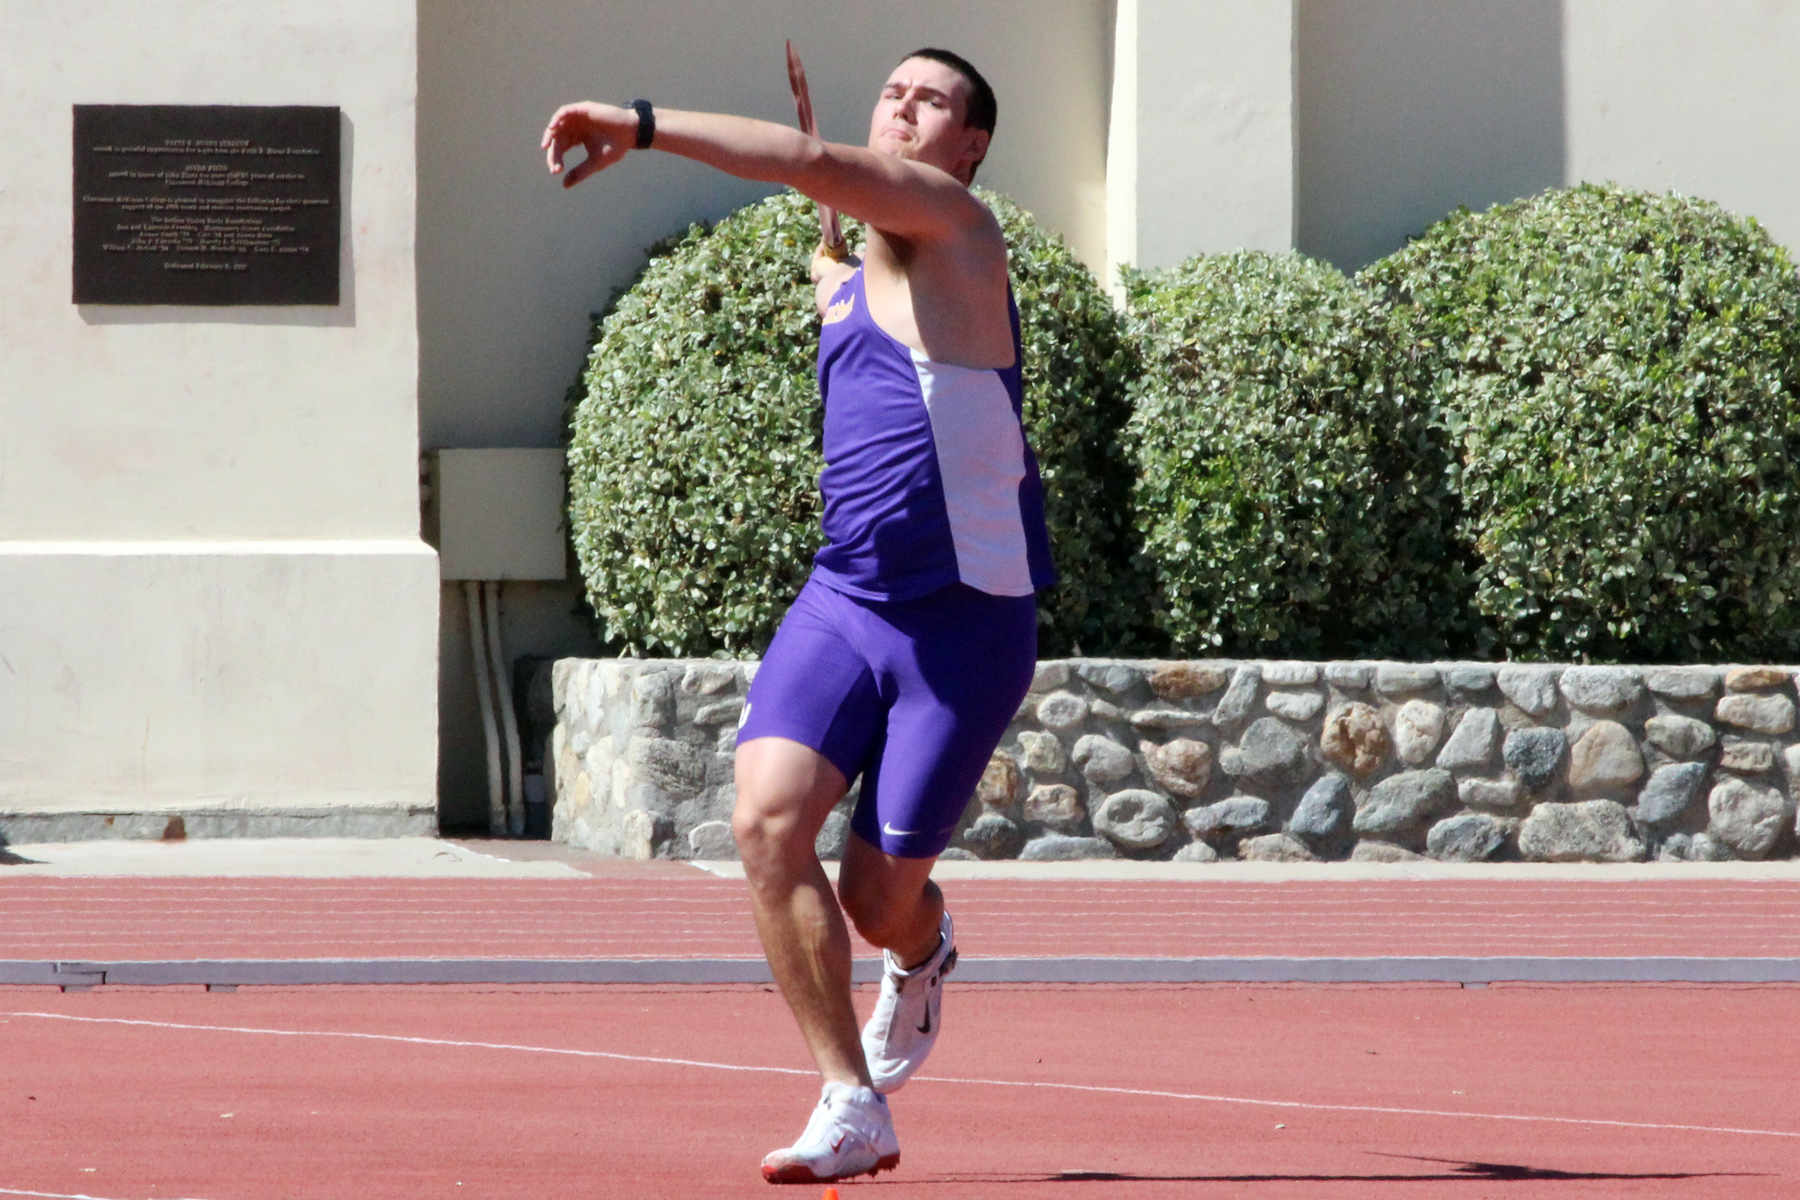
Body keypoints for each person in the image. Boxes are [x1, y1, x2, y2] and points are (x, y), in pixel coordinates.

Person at [543, 47, 1055, 1185]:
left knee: (880, 901)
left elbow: (817, 163)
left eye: (931, 102)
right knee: (766, 822)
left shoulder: (960, 227)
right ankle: (850, 1099)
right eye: (893, 92)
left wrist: (640, 121)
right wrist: (835, 266)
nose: (903, 108)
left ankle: (923, 952)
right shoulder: (839, 272)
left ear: (968, 147)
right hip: (845, 599)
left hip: (965, 625)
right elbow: (837, 219)